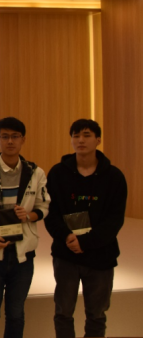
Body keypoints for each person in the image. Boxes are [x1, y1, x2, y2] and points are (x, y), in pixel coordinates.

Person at [44, 119, 127, 338]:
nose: (80, 140)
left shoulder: (114, 177)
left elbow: (115, 220)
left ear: (98, 140)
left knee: (97, 316)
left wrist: (85, 242)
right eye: (76, 135)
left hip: (101, 257)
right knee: (63, 313)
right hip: (66, 254)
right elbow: (50, 213)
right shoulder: (57, 173)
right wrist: (67, 237)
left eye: (87, 135)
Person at [0, 117, 50, 338]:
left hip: (23, 254)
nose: (10, 141)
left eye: (15, 136)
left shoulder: (35, 173)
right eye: (5, 137)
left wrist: (28, 216)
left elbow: (44, 207)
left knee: (16, 313)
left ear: (23, 139)